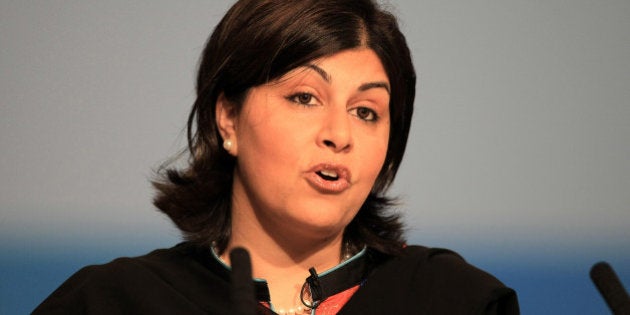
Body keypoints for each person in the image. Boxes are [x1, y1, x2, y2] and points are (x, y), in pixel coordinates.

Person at [34, 0, 519, 314]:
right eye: (305, 98)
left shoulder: (450, 301)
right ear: (228, 118)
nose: (338, 134)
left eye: (367, 111)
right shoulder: (117, 303)